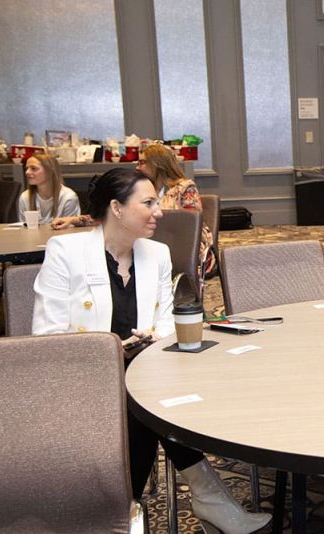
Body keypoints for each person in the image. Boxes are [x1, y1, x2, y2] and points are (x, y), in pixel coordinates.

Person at [33, 168, 270, 534]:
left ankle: (127, 510)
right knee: (143, 406)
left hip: (144, 372)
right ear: (116, 208)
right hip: (81, 380)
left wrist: (149, 337)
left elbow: (166, 321)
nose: (159, 211)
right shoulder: (66, 252)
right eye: (148, 203)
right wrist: (111, 350)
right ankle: (201, 497)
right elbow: (47, 338)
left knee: (146, 399)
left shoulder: (156, 253)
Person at [54, 144, 216, 277]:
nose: (137, 167)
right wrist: (74, 220)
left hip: (187, 250)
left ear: (158, 164)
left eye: (142, 162)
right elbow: (115, 214)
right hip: (149, 244)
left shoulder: (185, 187)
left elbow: (191, 225)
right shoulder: (144, 190)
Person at [18, 153, 80, 224]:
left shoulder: (68, 197)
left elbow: (71, 228)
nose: (27, 172)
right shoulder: (25, 197)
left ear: (50, 171)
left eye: (33, 168)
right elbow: (23, 227)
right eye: (26, 168)